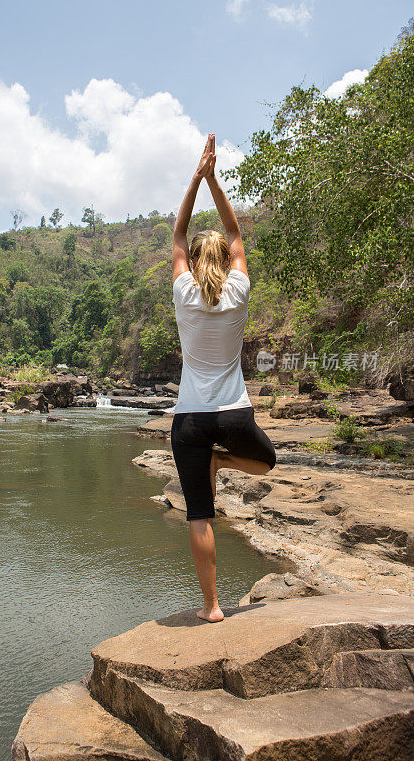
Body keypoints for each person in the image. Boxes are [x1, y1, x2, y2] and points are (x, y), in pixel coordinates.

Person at [171, 133, 276, 623]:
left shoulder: (183, 292)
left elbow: (177, 234)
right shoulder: (238, 288)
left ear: (192, 261)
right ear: (226, 259)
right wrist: (215, 181)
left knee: (199, 513)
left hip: (190, 420)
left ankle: (211, 606)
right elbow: (236, 234)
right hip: (234, 416)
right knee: (268, 462)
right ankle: (222, 463)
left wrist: (195, 179)